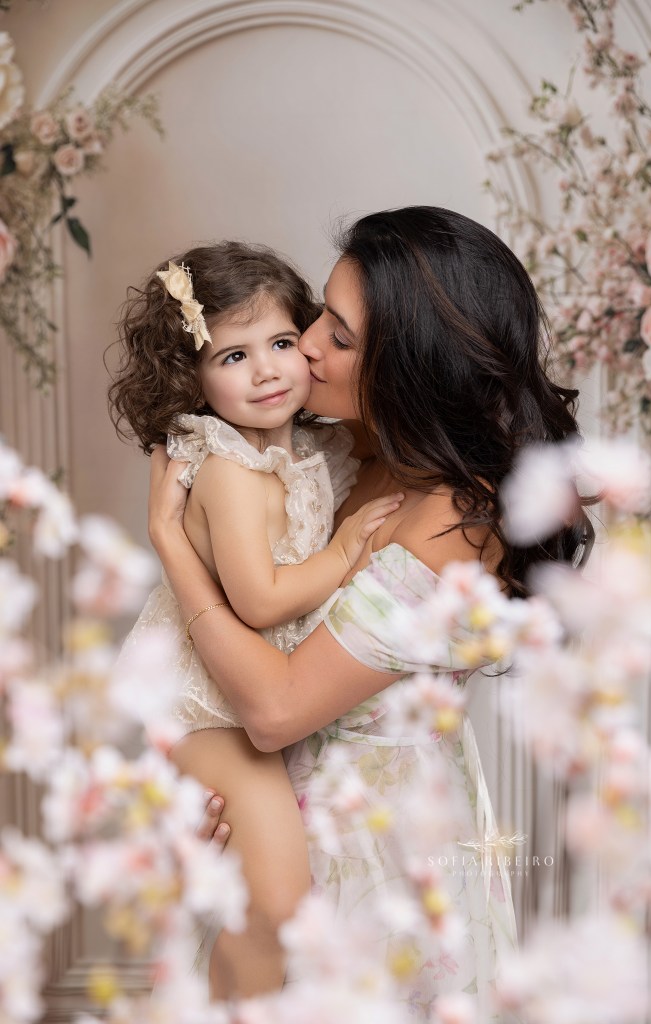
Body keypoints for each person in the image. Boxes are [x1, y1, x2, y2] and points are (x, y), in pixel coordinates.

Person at [147, 207, 593, 1019]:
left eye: (340, 337)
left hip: (378, 868)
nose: (306, 344)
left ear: (410, 366)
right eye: (320, 312)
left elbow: (278, 709)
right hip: (276, 841)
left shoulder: (454, 519)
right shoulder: (350, 451)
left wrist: (169, 546)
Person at [108, 241, 404, 998]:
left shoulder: (306, 447)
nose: (268, 369)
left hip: (249, 699)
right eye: (232, 356)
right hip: (204, 705)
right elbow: (259, 600)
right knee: (277, 901)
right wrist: (343, 550)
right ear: (193, 378)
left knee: (273, 898)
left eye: (280, 342)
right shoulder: (230, 468)